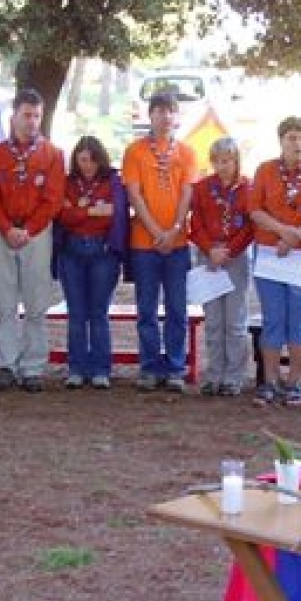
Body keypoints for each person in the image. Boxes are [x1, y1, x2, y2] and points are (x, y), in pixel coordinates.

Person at [0, 89, 64, 393]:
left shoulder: (52, 155)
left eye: (37, 116)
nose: (32, 121)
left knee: (36, 302)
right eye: (26, 115)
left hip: (36, 235)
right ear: (14, 115)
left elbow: (53, 200)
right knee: (4, 301)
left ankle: (32, 367)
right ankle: (6, 364)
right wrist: (5, 227)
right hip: (4, 234)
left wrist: (28, 229)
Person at [248, 115, 301, 408]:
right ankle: (269, 381)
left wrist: (297, 235)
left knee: (299, 319)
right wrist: (282, 231)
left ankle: (293, 382)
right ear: (281, 140)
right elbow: (254, 209)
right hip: (271, 253)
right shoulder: (265, 170)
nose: (297, 143)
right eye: (291, 138)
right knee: (273, 319)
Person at [122, 91, 197, 392]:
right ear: (149, 115)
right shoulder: (135, 151)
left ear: (177, 117)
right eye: (160, 111)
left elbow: (188, 194)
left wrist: (175, 229)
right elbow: (134, 195)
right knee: (147, 309)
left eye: (171, 111)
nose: (166, 117)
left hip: (178, 245)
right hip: (144, 245)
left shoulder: (187, 153)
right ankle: (150, 367)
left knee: (178, 309)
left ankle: (176, 367)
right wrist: (155, 232)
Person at [55, 136, 127, 389]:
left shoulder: (113, 181)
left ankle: (100, 369)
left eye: (93, 160)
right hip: (71, 252)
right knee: (76, 313)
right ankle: (76, 368)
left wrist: (80, 210)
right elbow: (63, 215)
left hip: (103, 253)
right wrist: (90, 210)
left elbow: (114, 216)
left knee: (98, 312)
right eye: (83, 159)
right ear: (75, 159)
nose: (88, 165)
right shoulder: (67, 183)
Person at [187, 136, 253, 397]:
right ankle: (213, 373)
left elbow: (250, 225)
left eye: (228, 160)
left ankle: (234, 376)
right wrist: (209, 249)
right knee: (213, 319)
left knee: (234, 320)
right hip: (208, 257)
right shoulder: (202, 188)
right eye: (218, 161)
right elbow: (196, 223)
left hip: (235, 258)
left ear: (236, 160)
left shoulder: (248, 188)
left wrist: (230, 250)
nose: (223, 166)